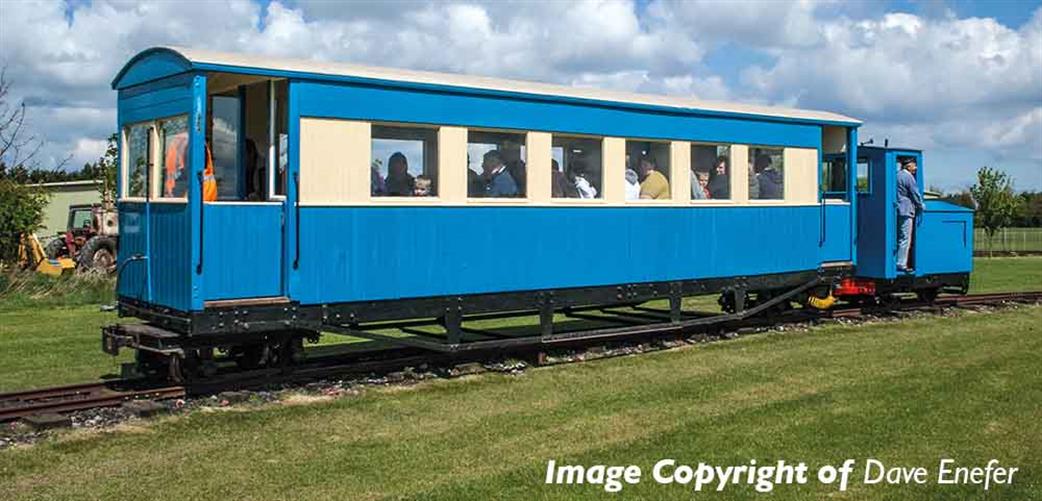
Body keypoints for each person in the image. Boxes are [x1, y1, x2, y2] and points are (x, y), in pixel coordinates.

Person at [896, 158, 924, 272]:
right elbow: (915, 193)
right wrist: (921, 205)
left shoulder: (896, 175)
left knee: (899, 236)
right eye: (914, 165)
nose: (916, 168)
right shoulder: (908, 177)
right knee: (905, 238)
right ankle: (901, 263)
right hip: (906, 210)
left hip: (897, 209)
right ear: (908, 166)